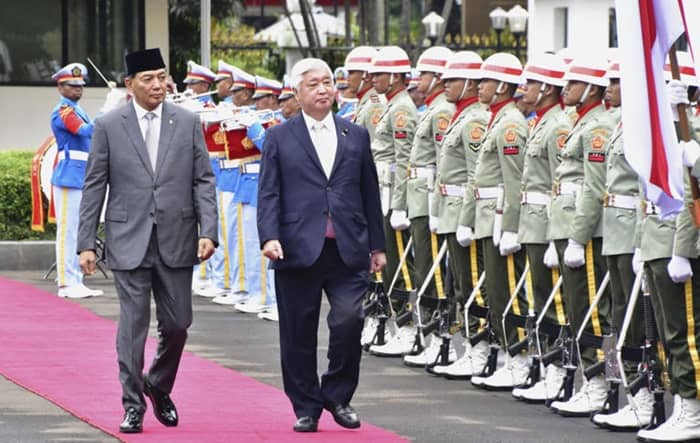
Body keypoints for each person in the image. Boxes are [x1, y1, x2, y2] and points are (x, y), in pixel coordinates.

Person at [77, 48, 218, 434]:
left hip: (177, 238)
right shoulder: (109, 125)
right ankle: (132, 405)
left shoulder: (187, 121)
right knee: (132, 327)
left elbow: (203, 179)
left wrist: (209, 231)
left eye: (162, 77)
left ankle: (157, 382)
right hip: (128, 239)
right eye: (148, 79)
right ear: (130, 84)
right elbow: (94, 185)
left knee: (179, 323)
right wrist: (86, 242)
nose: (158, 85)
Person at [257, 58, 386, 433]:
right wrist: (269, 236)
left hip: (347, 246)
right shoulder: (280, 137)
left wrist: (377, 245)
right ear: (297, 92)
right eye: (313, 84)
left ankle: (337, 395)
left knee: (349, 320)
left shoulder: (355, 134)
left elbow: (369, 191)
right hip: (296, 247)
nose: (323, 89)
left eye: (328, 82)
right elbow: (269, 192)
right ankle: (306, 405)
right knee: (297, 331)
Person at [49, 62, 104, 299]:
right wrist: (107, 112)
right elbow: (84, 131)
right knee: (68, 231)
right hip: (69, 175)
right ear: (60, 87)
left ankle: (76, 280)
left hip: (81, 175)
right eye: (72, 85)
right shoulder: (63, 111)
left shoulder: (77, 109)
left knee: (80, 231)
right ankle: (65, 283)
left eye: (80, 85)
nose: (78, 89)